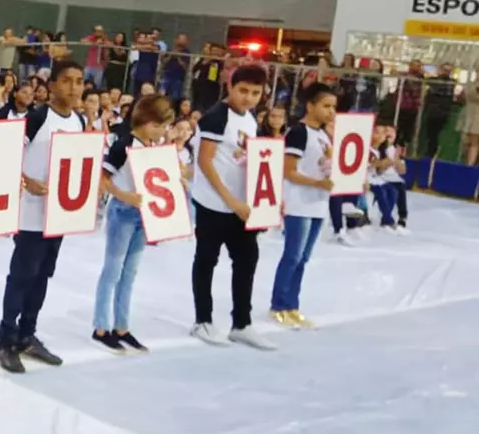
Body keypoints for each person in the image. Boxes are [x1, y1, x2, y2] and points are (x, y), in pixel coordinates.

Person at [0, 60, 86, 374]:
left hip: (58, 215)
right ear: (52, 85)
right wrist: (26, 181)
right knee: (21, 276)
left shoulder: (79, 121)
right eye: (67, 81)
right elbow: (5, 155)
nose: (74, 88)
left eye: (79, 81)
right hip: (30, 214)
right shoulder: (37, 117)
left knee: (43, 276)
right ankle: (5, 339)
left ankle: (27, 334)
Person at [190, 64, 273, 351]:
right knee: (206, 261)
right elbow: (205, 161)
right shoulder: (216, 117)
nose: (248, 97)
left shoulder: (249, 118)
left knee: (247, 261)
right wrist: (230, 199)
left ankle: (242, 323)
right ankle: (203, 320)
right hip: (214, 203)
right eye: (243, 91)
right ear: (230, 87)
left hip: (241, 206)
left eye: (255, 92)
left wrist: (265, 197)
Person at [92, 94, 176, 354]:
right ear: (146, 121)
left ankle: (122, 326)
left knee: (130, 273)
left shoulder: (152, 147)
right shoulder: (124, 145)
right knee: (113, 270)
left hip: (143, 214)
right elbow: (103, 178)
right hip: (123, 211)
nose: (162, 132)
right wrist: (124, 195)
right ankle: (101, 326)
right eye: (159, 126)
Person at [270, 83, 336, 329]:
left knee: (304, 258)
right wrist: (317, 183)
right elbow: (288, 171)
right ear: (310, 105)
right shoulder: (299, 132)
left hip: (318, 203)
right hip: (299, 202)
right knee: (293, 255)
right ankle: (278, 304)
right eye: (326, 106)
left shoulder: (322, 135)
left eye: (333, 107)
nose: (331, 111)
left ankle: (292, 305)